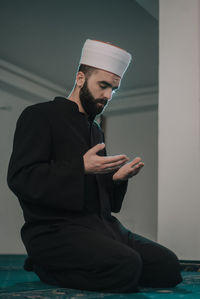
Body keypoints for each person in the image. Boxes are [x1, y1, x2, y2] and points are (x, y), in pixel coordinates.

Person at [7, 39, 182, 293]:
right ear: (80, 78)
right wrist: (81, 166)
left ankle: (93, 265)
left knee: (168, 266)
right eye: (103, 85)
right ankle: (45, 265)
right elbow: (21, 179)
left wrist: (116, 180)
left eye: (114, 89)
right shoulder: (39, 115)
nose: (108, 96)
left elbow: (101, 200)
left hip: (101, 227)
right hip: (55, 231)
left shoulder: (95, 130)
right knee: (126, 266)